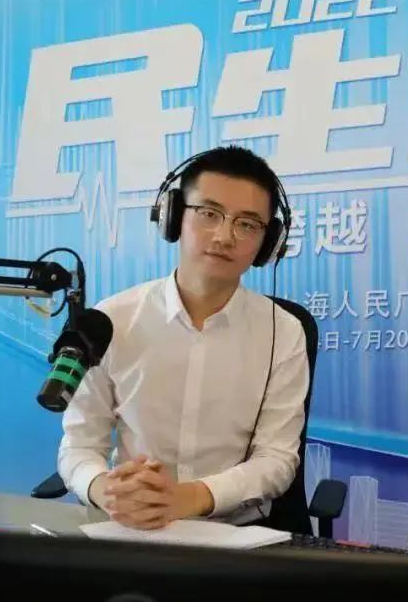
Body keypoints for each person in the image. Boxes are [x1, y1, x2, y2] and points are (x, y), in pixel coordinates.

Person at [57, 145, 309, 530]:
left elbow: (277, 459)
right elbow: (79, 446)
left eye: (247, 224)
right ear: (172, 216)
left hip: (236, 535)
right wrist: (104, 488)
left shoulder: (284, 332)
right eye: (209, 214)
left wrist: (191, 497)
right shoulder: (112, 320)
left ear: (268, 241)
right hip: (130, 527)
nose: (224, 236)